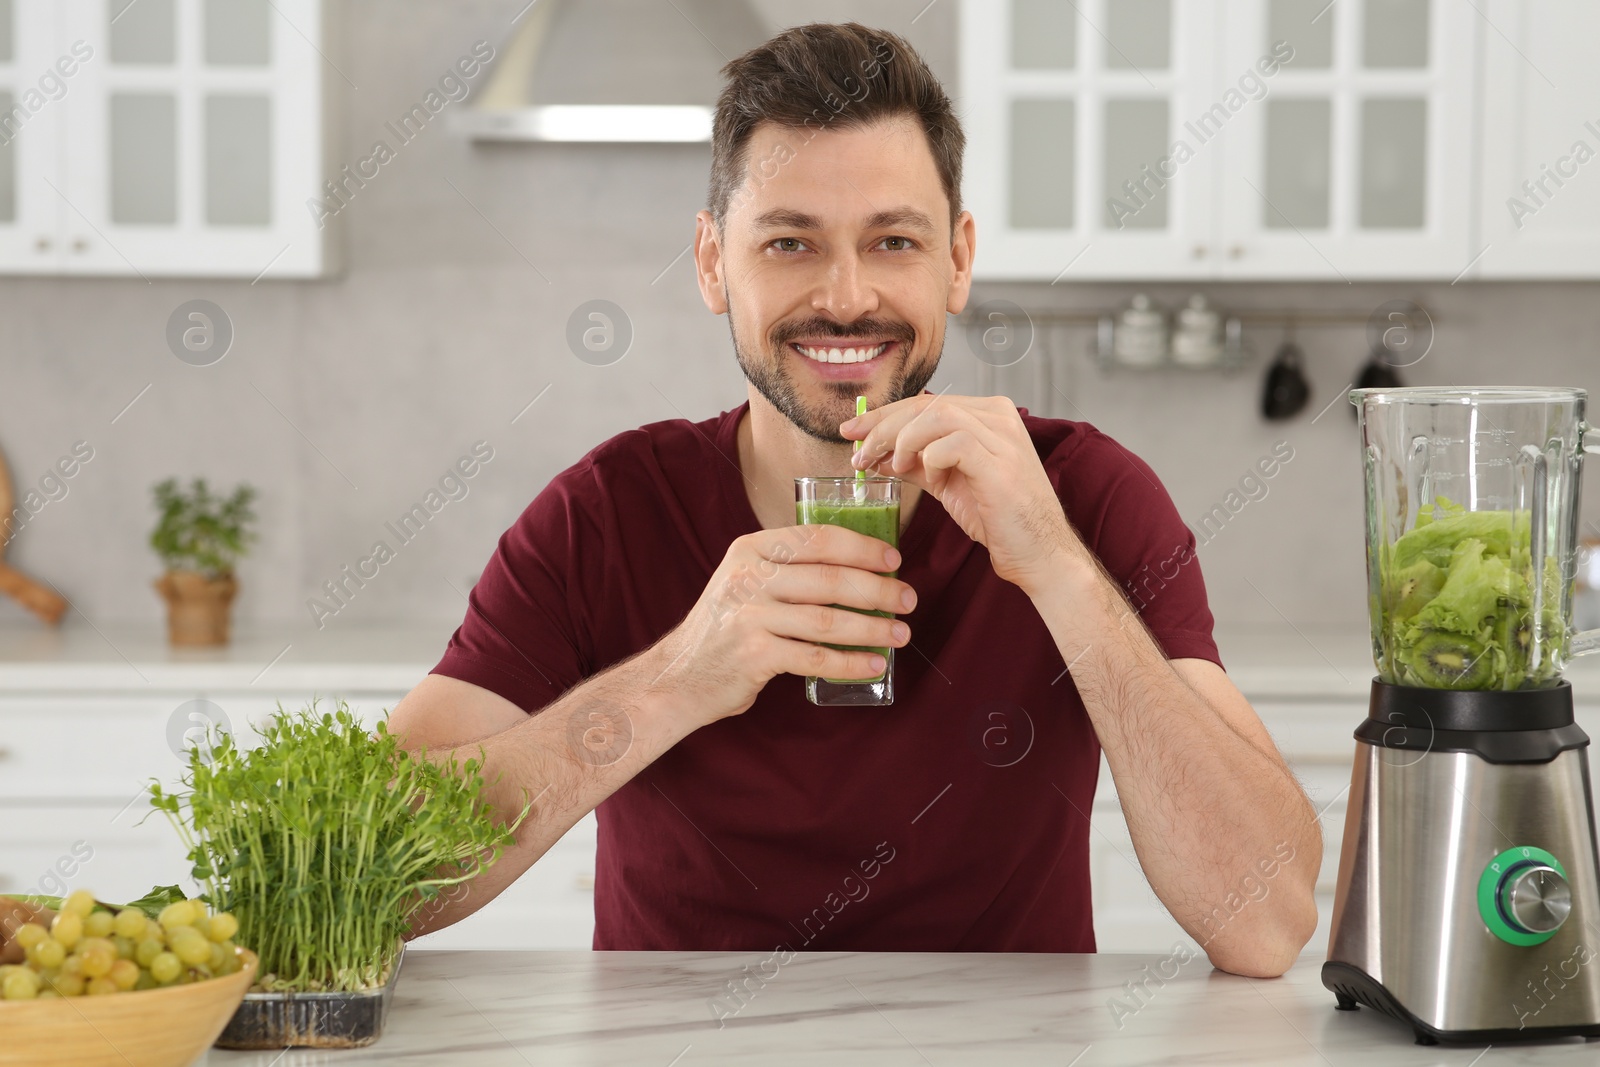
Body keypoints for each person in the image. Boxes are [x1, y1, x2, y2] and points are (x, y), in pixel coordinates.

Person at [390, 22, 1318, 977]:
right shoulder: (605, 515)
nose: (846, 295)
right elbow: (377, 876)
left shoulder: (1081, 492)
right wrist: (673, 680)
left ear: (957, 261)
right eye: (790, 241)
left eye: (894, 240)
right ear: (713, 264)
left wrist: (1058, 569)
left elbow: (1267, 923)